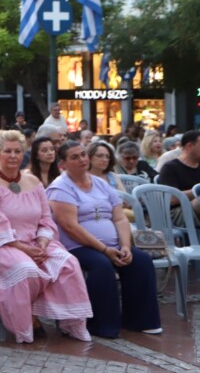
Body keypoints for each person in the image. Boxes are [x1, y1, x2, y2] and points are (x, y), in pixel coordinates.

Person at [0, 130, 92, 343]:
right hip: (3, 245)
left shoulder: (33, 182)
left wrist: (43, 241)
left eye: (17, 151)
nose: (13, 156)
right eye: (7, 151)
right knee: (26, 270)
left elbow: (46, 218)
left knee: (68, 263)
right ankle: (27, 318)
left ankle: (70, 322)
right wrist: (24, 249)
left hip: (36, 241)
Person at [46, 142, 161, 338]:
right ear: (62, 164)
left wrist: (125, 246)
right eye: (75, 157)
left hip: (113, 245)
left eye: (83, 154)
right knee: (102, 265)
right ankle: (101, 325)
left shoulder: (100, 183)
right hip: (77, 246)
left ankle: (141, 321)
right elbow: (70, 226)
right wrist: (104, 249)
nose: (82, 159)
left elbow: (120, 218)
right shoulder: (60, 188)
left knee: (141, 261)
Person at [156, 130, 200, 227]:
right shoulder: (170, 168)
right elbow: (171, 199)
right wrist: (196, 191)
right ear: (189, 146)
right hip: (178, 212)